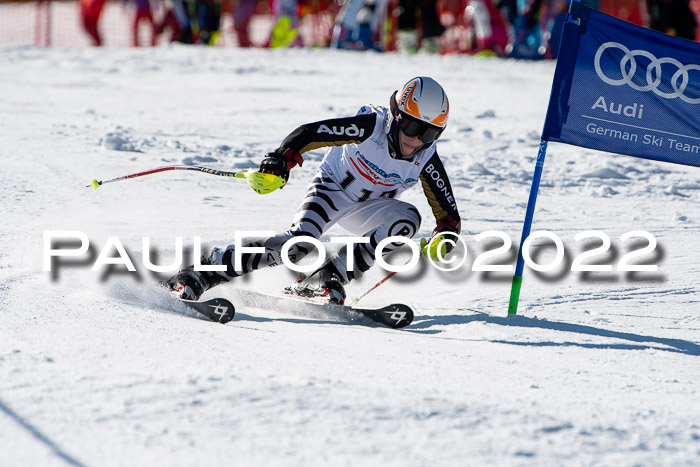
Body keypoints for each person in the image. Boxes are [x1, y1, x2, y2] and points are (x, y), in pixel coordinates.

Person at [165, 77, 461, 305]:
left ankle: (329, 276)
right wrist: (282, 158)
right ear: (396, 117)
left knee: (408, 218)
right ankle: (203, 272)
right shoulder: (371, 126)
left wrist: (444, 238)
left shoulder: (426, 157)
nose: (416, 140)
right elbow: (312, 132)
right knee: (298, 246)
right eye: (411, 126)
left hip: (372, 208)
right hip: (332, 189)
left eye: (429, 133)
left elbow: (449, 218)